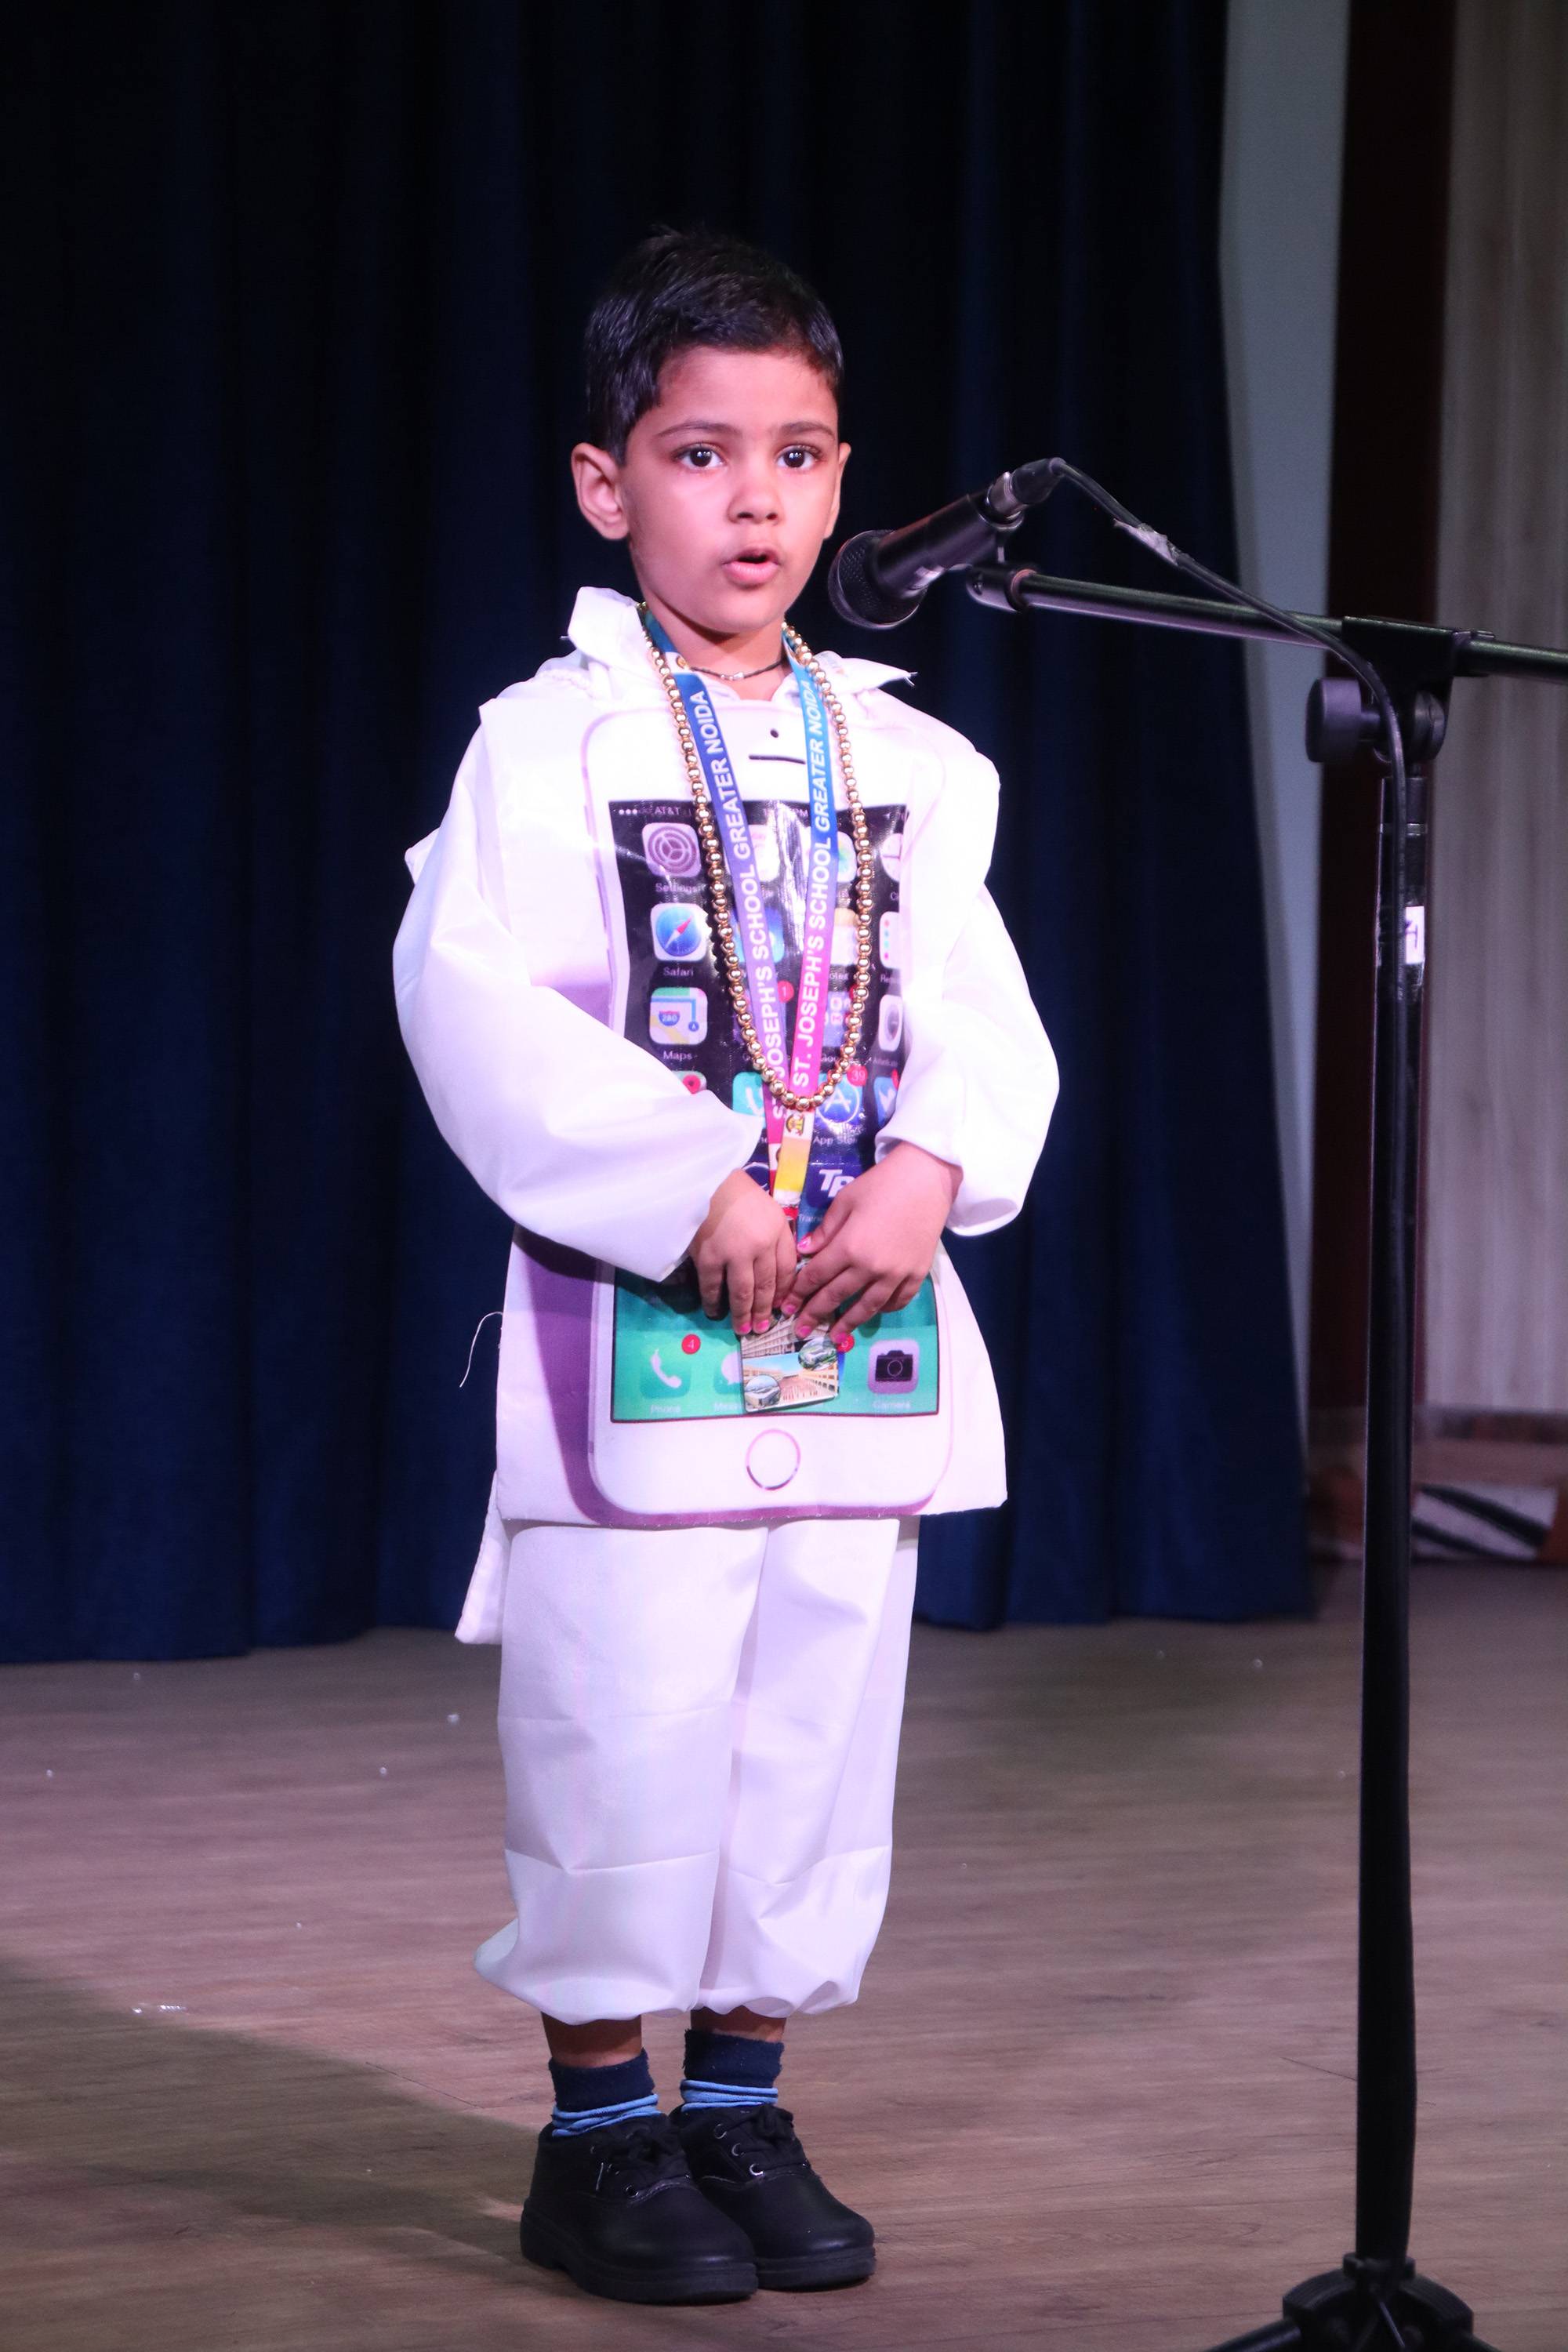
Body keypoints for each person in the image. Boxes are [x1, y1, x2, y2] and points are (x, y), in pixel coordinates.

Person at [394, 227, 1057, 2306]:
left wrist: (930, 1164)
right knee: (627, 1721)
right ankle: (601, 2129)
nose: (754, 500)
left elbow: (984, 1013)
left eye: (796, 454)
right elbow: (471, 1002)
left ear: (844, 479)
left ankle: (745, 2102)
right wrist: (686, 1181)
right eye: (700, 454)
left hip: (855, 1322)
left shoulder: (914, 767)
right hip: (648, 1323)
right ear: (610, 486)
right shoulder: (545, 749)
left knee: (811, 1731)